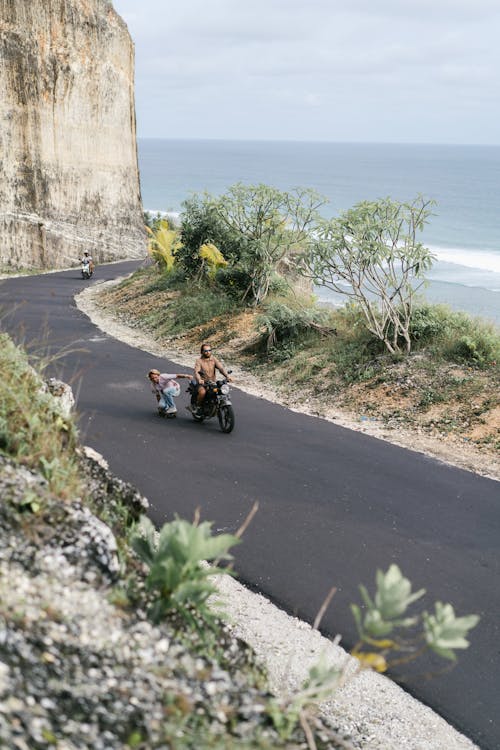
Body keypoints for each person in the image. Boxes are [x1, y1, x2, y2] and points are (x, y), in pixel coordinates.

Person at [189, 343, 232, 414]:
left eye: (209, 350)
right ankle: (198, 407)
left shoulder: (213, 359)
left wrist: (227, 376)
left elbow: (221, 368)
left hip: (212, 382)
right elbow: (197, 372)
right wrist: (199, 379)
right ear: (202, 352)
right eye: (205, 351)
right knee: (202, 392)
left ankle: (216, 405)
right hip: (203, 383)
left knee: (221, 391)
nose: (208, 352)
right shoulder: (199, 361)